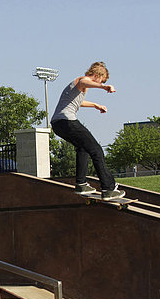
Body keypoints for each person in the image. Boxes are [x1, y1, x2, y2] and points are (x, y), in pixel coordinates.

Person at [50, 61, 125, 200]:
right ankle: (108, 188)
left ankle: (81, 184)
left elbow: (78, 102)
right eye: (101, 79)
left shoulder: (78, 87)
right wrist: (103, 87)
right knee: (96, 150)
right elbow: (85, 82)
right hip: (67, 121)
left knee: (83, 148)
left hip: (58, 124)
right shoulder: (82, 80)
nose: (101, 82)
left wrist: (96, 105)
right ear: (97, 75)